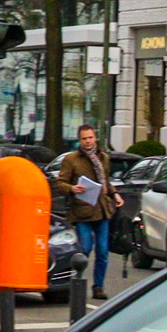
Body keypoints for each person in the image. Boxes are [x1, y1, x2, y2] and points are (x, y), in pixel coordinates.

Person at [53, 123, 116, 300]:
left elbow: (106, 182)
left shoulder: (103, 158)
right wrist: (73, 188)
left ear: (95, 138)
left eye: (90, 137)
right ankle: (74, 281)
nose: (88, 141)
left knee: (103, 251)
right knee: (85, 248)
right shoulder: (72, 160)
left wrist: (115, 194)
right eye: (84, 139)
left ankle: (98, 287)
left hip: (102, 210)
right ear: (79, 140)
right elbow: (60, 183)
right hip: (82, 211)